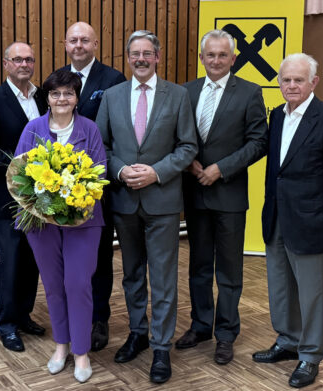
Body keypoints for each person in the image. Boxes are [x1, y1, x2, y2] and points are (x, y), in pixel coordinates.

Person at [95, 30, 197, 384]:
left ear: (157, 56)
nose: (140, 58)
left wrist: (156, 172)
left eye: (147, 53)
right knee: (132, 274)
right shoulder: (111, 96)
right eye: (134, 53)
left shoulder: (178, 95)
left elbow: (187, 147)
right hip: (124, 201)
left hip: (163, 201)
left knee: (164, 278)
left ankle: (161, 347)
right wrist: (121, 170)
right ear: (128, 57)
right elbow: (101, 147)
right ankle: (137, 333)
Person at [253, 53, 323, 388]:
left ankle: (310, 355)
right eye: (286, 80)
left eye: (299, 79)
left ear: (314, 82)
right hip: (277, 217)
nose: (292, 85)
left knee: (310, 293)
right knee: (280, 287)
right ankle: (288, 340)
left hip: (312, 220)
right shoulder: (277, 117)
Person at [177, 29, 268, 365]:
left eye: (222, 55)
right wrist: (193, 163)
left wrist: (220, 169)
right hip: (195, 192)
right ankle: (201, 325)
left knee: (229, 272)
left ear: (233, 58)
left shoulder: (249, 92)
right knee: (199, 267)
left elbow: (259, 142)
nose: (215, 60)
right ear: (202, 58)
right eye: (210, 55)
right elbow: (177, 136)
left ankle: (226, 333)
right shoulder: (186, 91)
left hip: (228, 194)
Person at [15, 69, 106, 383]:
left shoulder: (90, 129)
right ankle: (61, 345)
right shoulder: (33, 128)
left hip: (83, 220)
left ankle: (81, 352)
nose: (62, 99)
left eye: (68, 93)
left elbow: (100, 171)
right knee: (53, 285)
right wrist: (43, 199)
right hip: (41, 222)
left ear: (76, 97)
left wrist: (76, 198)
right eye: (56, 93)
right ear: (48, 97)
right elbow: (19, 173)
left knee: (77, 283)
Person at [0, 42, 47, 352]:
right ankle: (7, 324)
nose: (24, 64)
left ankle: (24, 315)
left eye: (29, 59)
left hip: (42, 198)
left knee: (33, 261)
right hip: (9, 199)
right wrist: (24, 167)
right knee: (11, 262)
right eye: (17, 59)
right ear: (5, 64)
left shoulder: (44, 96)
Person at [58, 21, 126, 351]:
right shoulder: (56, 80)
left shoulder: (113, 80)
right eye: (74, 40)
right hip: (58, 189)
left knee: (98, 258)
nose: (79, 45)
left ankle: (99, 318)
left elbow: (120, 132)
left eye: (85, 40)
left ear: (96, 44)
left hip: (99, 188)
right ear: (66, 44)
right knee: (67, 259)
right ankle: (70, 316)